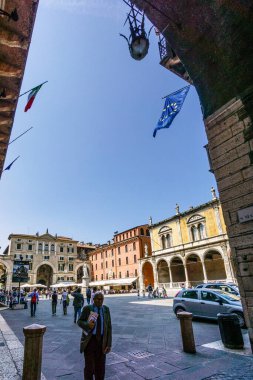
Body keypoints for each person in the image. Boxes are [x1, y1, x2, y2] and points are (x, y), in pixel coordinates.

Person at [77, 291, 112, 380]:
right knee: (89, 367)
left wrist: (109, 344)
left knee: (101, 368)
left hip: (102, 342)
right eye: (98, 299)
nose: (100, 301)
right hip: (90, 341)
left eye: (101, 299)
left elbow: (109, 328)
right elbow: (79, 321)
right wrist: (87, 325)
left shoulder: (106, 309)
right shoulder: (88, 308)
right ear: (93, 299)